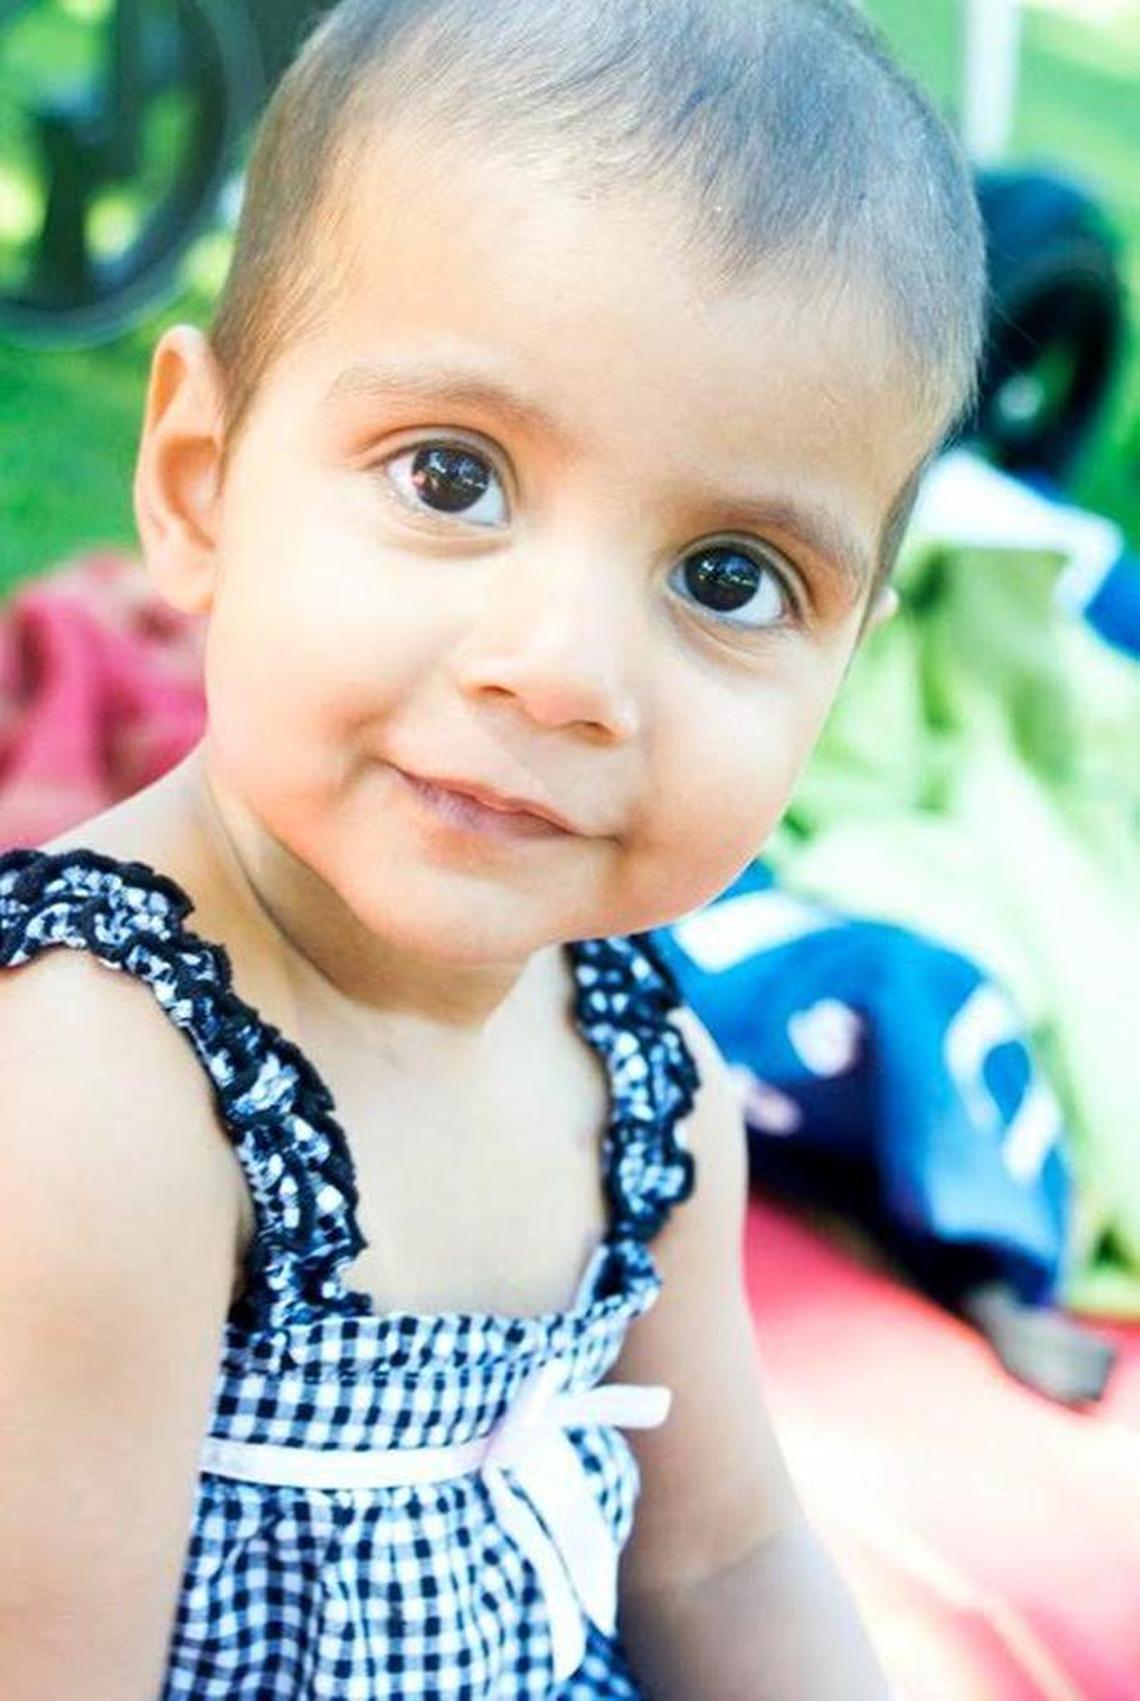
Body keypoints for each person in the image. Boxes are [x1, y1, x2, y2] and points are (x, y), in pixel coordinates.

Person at [0, 0, 985, 1695]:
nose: (565, 669)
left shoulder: (646, 1080)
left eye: (730, 577)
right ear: (201, 480)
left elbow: (725, 1559)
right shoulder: (99, 1089)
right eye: (451, 477)